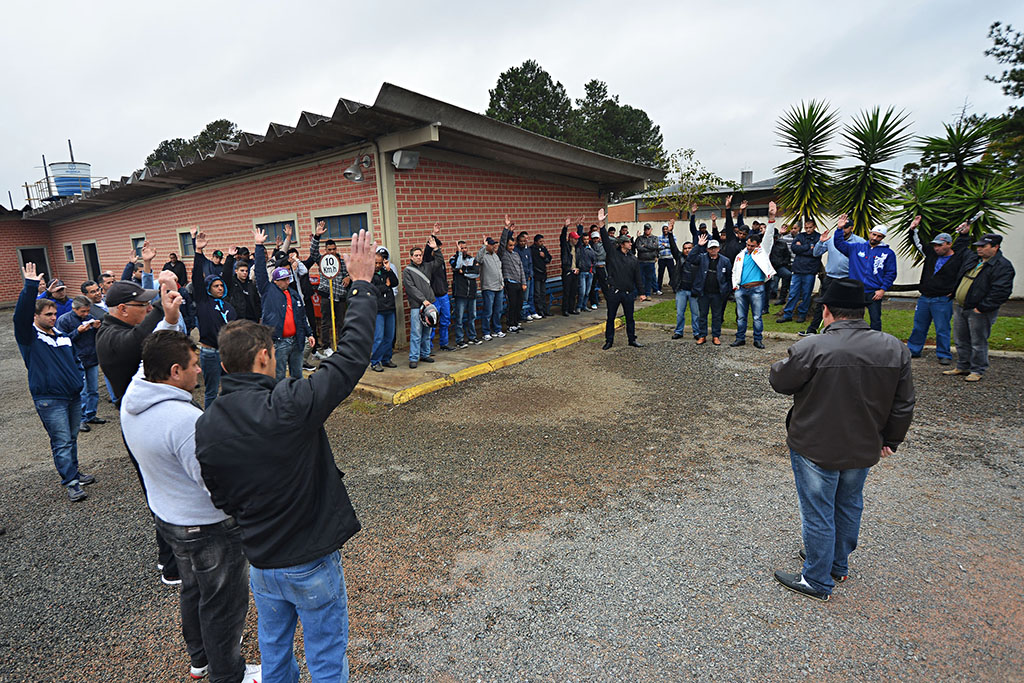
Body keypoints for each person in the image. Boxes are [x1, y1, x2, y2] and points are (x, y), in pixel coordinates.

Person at [195, 226, 377, 683]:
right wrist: (362, 285)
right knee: (327, 656)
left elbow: (220, 497)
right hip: (309, 558)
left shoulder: (207, 423)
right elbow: (351, 358)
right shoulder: (290, 403)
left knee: (275, 653)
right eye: (271, 355)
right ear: (261, 358)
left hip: (261, 561)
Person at [121, 330, 261, 683]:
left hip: (169, 520)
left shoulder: (134, 395)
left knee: (194, 590)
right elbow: (216, 485)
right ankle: (228, 673)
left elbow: (146, 359)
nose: (200, 371)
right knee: (223, 604)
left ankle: (200, 659)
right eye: (194, 365)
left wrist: (168, 320)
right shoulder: (184, 423)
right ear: (173, 372)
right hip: (207, 528)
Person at [769, 277, 915, 602]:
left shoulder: (813, 346)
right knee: (848, 503)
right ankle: (836, 564)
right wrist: (892, 439)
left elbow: (780, 380)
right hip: (864, 442)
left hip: (815, 443)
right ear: (862, 311)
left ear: (826, 311)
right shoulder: (893, 347)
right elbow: (904, 402)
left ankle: (817, 580)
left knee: (819, 510)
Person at [97, 272, 185, 582]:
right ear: (122, 309)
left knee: (162, 488)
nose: (147, 309)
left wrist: (169, 316)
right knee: (163, 491)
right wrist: (162, 309)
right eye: (142, 305)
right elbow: (139, 343)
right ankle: (173, 563)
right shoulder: (110, 337)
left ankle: (168, 558)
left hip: (143, 417)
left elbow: (154, 341)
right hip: (138, 421)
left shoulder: (119, 328)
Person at [15, 263, 94, 502]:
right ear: (36, 316)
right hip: (50, 399)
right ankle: (70, 482)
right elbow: (20, 316)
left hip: (72, 396)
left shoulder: (60, 336)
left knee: (71, 438)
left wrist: (78, 379)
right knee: (60, 441)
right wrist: (30, 287)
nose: (53, 317)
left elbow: (74, 360)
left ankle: (75, 473)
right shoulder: (30, 337)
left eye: (54, 314)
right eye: (48, 315)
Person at [944, 234, 1016, 382]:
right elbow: (959, 252)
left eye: (983, 246)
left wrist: (982, 307)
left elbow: (1001, 291)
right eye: (978, 246)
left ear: (995, 247)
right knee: (960, 339)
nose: (979, 249)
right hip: (961, 306)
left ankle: (977, 369)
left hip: (979, 310)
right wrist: (964, 234)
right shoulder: (974, 260)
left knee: (978, 341)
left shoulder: (1002, 266)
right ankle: (963, 365)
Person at [906, 218, 973, 365]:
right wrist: (913, 229)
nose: (936, 248)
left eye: (940, 245)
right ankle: (913, 350)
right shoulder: (930, 253)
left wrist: (954, 292)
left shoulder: (958, 257)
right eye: (935, 245)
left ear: (949, 244)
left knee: (942, 328)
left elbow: (963, 245)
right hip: (925, 298)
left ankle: (944, 354)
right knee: (919, 326)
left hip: (942, 299)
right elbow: (917, 242)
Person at [253, 228, 315, 381]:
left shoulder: (293, 294)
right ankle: (280, 401)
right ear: (275, 280)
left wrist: (309, 333)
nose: (287, 281)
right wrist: (259, 246)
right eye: (283, 279)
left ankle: (297, 399)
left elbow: (301, 316)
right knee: (279, 375)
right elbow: (260, 271)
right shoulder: (267, 291)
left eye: (288, 278)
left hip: (296, 339)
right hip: (279, 342)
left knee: (297, 375)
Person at [191, 228, 239, 407]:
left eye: (221, 286)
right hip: (210, 353)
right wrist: (198, 251)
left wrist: (230, 258)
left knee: (230, 387)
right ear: (208, 288)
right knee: (211, 390)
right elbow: (196, 277)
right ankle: (210, 421)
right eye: (215, 285)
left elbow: (226, 276)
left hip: (227, 352)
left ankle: (229, 415)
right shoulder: (203, 301)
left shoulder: (226, 305)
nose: (219, 288)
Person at [800, 215, 866, 336]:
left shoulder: (859, 241)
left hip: (848, 278)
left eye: (846, 227)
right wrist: (820, 242)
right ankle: (812, 329)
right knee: (823, 303)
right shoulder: (831, 239)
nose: (843, 229)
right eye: (841, 227)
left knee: (848, 306)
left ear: (851, 228)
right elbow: (816, 253)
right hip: (831, 277)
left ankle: (847, 331)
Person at [729, 201, 778, 349]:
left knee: (757, 317)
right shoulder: (741, 254)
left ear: (757, 245)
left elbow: (768, 236)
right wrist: (735, 286)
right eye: (748, 245)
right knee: (741, 317)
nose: (749, 247)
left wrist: (771, 217)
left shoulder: (762, 252)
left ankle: (758, 340)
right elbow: (734, 271)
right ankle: (740, 338)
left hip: (757, 288)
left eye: (752, 246)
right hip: (741, 289)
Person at [597, 209, 647, 349]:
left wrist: (642, 292)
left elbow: (638, 277)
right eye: (628, 242)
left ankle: (632, 339)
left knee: (630, 318)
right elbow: (606, 242)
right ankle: (609, 341)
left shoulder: (633, 259)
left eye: (630, 242)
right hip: (614, 291)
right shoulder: (613, 255)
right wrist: (601, 224)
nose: (630, 244)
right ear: (622, 244)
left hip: (628, 293)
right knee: (611, 318)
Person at [833, 223, 898, 331]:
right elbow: (839, 243)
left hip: (874, 292)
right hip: (856, 290)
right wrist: (839, 229)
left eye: (879, 236)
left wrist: (882, 289)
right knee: (852, 317)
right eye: (873, 234)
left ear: (883, 238)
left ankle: (876, 341)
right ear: (870, 233)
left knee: (875, 318)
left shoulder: (888, 253)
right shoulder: (856, 247)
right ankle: (851, 337)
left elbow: (891, 273)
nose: (875, 238)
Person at [55, 296, 104, 431]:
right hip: (77, 359)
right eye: (83, 311)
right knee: (81, 392)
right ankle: (80, 419)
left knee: (93, 390)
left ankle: (90, 415)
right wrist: (78, 331)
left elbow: (98, 336)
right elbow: (61, 340)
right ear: (74, 308)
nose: (86, 314)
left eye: (88, 311)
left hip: (92, 358)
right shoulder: (64, 320)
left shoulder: (90, 317)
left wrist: (98, 328)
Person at [687, 233, 733, 345]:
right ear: (707, 249)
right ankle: (702, 335)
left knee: (717, 316)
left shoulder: (725, 261)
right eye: (711, 248)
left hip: (718, 294)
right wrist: (698, 246)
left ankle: (716, 336)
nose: (713, 250)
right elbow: (690, 258)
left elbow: (729, 277)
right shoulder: (702, 258)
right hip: (704, 293)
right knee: (702, 315)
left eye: (715, 248)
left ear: (718, 248)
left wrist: (727, 290)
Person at [777, 218, 822, 323]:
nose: (808, 230)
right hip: (797, 269)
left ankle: (802, 314)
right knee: (793, 293)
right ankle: (787, 314)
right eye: (806, 227)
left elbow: (815, 252)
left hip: (810, 270)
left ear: (814, 227)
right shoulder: (800, 235)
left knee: (806, 294)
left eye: (810, 227)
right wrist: (808, 247)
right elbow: (794, 249)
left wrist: (803, 248)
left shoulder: (818, 237)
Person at [403, 243, 438, 368]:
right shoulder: (407, 271)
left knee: (427, 332)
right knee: (416, 333)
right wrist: (423, 300)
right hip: (417, 306)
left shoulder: (427, 267)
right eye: (416, 255)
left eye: (420, 255)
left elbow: (439, 261)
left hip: (429, 305)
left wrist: (436, 249)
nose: (419, 257)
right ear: (411, 257)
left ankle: (425, 354)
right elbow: (410, 288)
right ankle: (413, 358)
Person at [422, 224, 453, 349]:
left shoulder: (440, 262)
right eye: (436, 248)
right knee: (432, 321)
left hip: (443, 294)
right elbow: (427, 252)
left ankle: (444, 344)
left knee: (446, 319)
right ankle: (428, 347)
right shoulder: (428, 263)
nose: (438, 250)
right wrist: (433, 234)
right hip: (433, 296)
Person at [666, 219, 698, 340]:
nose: (687, 250)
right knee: (680, 313)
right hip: (681, 290)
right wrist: (670, 233)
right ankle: (679, 331)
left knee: (696, 314)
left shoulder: (698, 259)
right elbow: (673, 247)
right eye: (685, 248)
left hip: (694, 291)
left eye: (690, 248)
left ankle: (696, 332)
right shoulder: (679, 257)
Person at [370, 250, 400, 371]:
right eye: (375, 263)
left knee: (389, 336)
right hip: (378, 310)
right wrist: (386, 286)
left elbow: (395, 283)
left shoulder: (385, 271)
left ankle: (386, 359)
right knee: (379, 337)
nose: (377, 265)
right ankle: (375, 361)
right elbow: (373, 290)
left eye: (380, 263)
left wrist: (389, 270)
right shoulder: (369, 274)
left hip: (390, 308)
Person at [499, 215, 528, 332]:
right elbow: (502, 243)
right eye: (509, 245)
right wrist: (506, 229)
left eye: (512, 245)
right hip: (509, 282)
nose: (511, 247)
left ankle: (516, 322)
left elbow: (521, 269)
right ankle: (510, 324)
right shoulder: (503, 254)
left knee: (519, 304)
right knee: (512, 304)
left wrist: (524, 283)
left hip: (519, 283)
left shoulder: (516, 254)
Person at [450, 240, 480, 349]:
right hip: (460, 294)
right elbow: (457, 267)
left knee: (472, 316)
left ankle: (472, 337)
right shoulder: (453, 259)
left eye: (465, 248)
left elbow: (476, 273)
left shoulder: (472, 259)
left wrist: (465, 272)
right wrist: (459, 255)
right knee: (459, 318)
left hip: (471, 293)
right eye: (461, 248)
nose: (464, 250)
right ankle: (460, 340)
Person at [223, 247, 262, 323]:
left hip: (253, 320)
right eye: (242, 271)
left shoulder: (251, 284)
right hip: (238, 321)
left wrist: (259, 316)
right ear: (236, 271)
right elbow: (226, 273)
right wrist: (230, 257)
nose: (245, 273)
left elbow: (257, 302)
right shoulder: (232, 284)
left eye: (246, 271)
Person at [476, 235, 504, 340]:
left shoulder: (495, 255)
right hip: (489, 288)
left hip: (499, 287)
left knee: (498, 310)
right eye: (491, 245)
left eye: (494, 245)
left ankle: (497, 329)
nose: (493, 247)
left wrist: (502, 283)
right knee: (488, 311)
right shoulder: (484, 255)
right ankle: (486, 332)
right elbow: (478, 258)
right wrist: (484, 246)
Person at [514, 230, 539, 320]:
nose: (523, 243)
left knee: (530, 296)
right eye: (521, 241)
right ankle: (525, 313)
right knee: (524, 297)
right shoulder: (516, 250)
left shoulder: (527, 249)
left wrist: (531, 274)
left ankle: (531, 311)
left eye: (524, 241)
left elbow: (530, 263)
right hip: (522, 277)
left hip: (529, 276)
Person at [559, 217, 581, 315]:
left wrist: (579, 226)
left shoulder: (577, 248)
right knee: (567, 292)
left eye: (577, 239)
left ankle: (572, 308)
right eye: (575, 239)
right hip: (567, 271)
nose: (576, 241)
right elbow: (562, 239)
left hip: (575, 271)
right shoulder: (566, 246)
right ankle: (565, 309)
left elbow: (580, 240)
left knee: (573, 292)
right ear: (571, 239)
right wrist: (565, 227)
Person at [768, 223, 793, 305]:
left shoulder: (782, 243)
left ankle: (782, 297)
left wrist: (782, 264)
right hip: (768, 267)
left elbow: (787, 256)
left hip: (779, 267)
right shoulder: (765, 245)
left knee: (788, 275)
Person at [634, 223, 660, 296]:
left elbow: (655, 247)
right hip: (641, 260)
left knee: (649, 278)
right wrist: (650, 248)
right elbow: (639, 248)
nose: (647, 230)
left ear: (651, 229)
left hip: (650, 261)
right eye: (645, 229)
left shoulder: (655, 238)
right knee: (640, 278)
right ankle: (641, 293)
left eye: (648, 229)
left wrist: (645, 245)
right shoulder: (640, 238)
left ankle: (648, 294)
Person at [530, 234, 553, 317]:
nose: (542, 243)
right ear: (535, 242)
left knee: (543, 293)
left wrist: (544, 256)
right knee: (537, 293)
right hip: (536, 274)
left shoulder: (543, 249)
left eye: (543, 241)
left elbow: (549, 258)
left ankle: (545, 309)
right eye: (540, 241)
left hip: (543, 274)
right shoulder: (532, 250)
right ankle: (539, 310)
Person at [576, 233, 596, 313]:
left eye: (587, 239)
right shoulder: (580, 249)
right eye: (584, 239)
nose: (586, 241)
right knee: (582, 291)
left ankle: (584, 305)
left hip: (590, 272)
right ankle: (579, 306)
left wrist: (593, 271)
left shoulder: (590, 250)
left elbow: (594, 260)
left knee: (587, 291)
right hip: (582, 272)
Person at [588, 230, 605, 309]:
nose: (595, 240)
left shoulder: (602, 245)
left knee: (604, 285)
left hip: (601, 267)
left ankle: (609, 300)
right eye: (594, 238)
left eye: (596, 238)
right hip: (594, 268)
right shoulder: (590, 246)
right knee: (592, 286)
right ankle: (593, 302)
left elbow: (600, 255)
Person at [657, 225, 675, 293]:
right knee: (660, 274)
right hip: (661, 258)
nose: (665, 231)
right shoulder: (659, 237)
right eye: (664, 229)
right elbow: (658, 246)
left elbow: (673, 246)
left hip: (670, 257)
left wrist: (665, 245)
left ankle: (674, 288)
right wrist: (667, 245)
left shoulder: (672, 237)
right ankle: (658, 288)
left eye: (666, 229)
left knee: (672, 274)